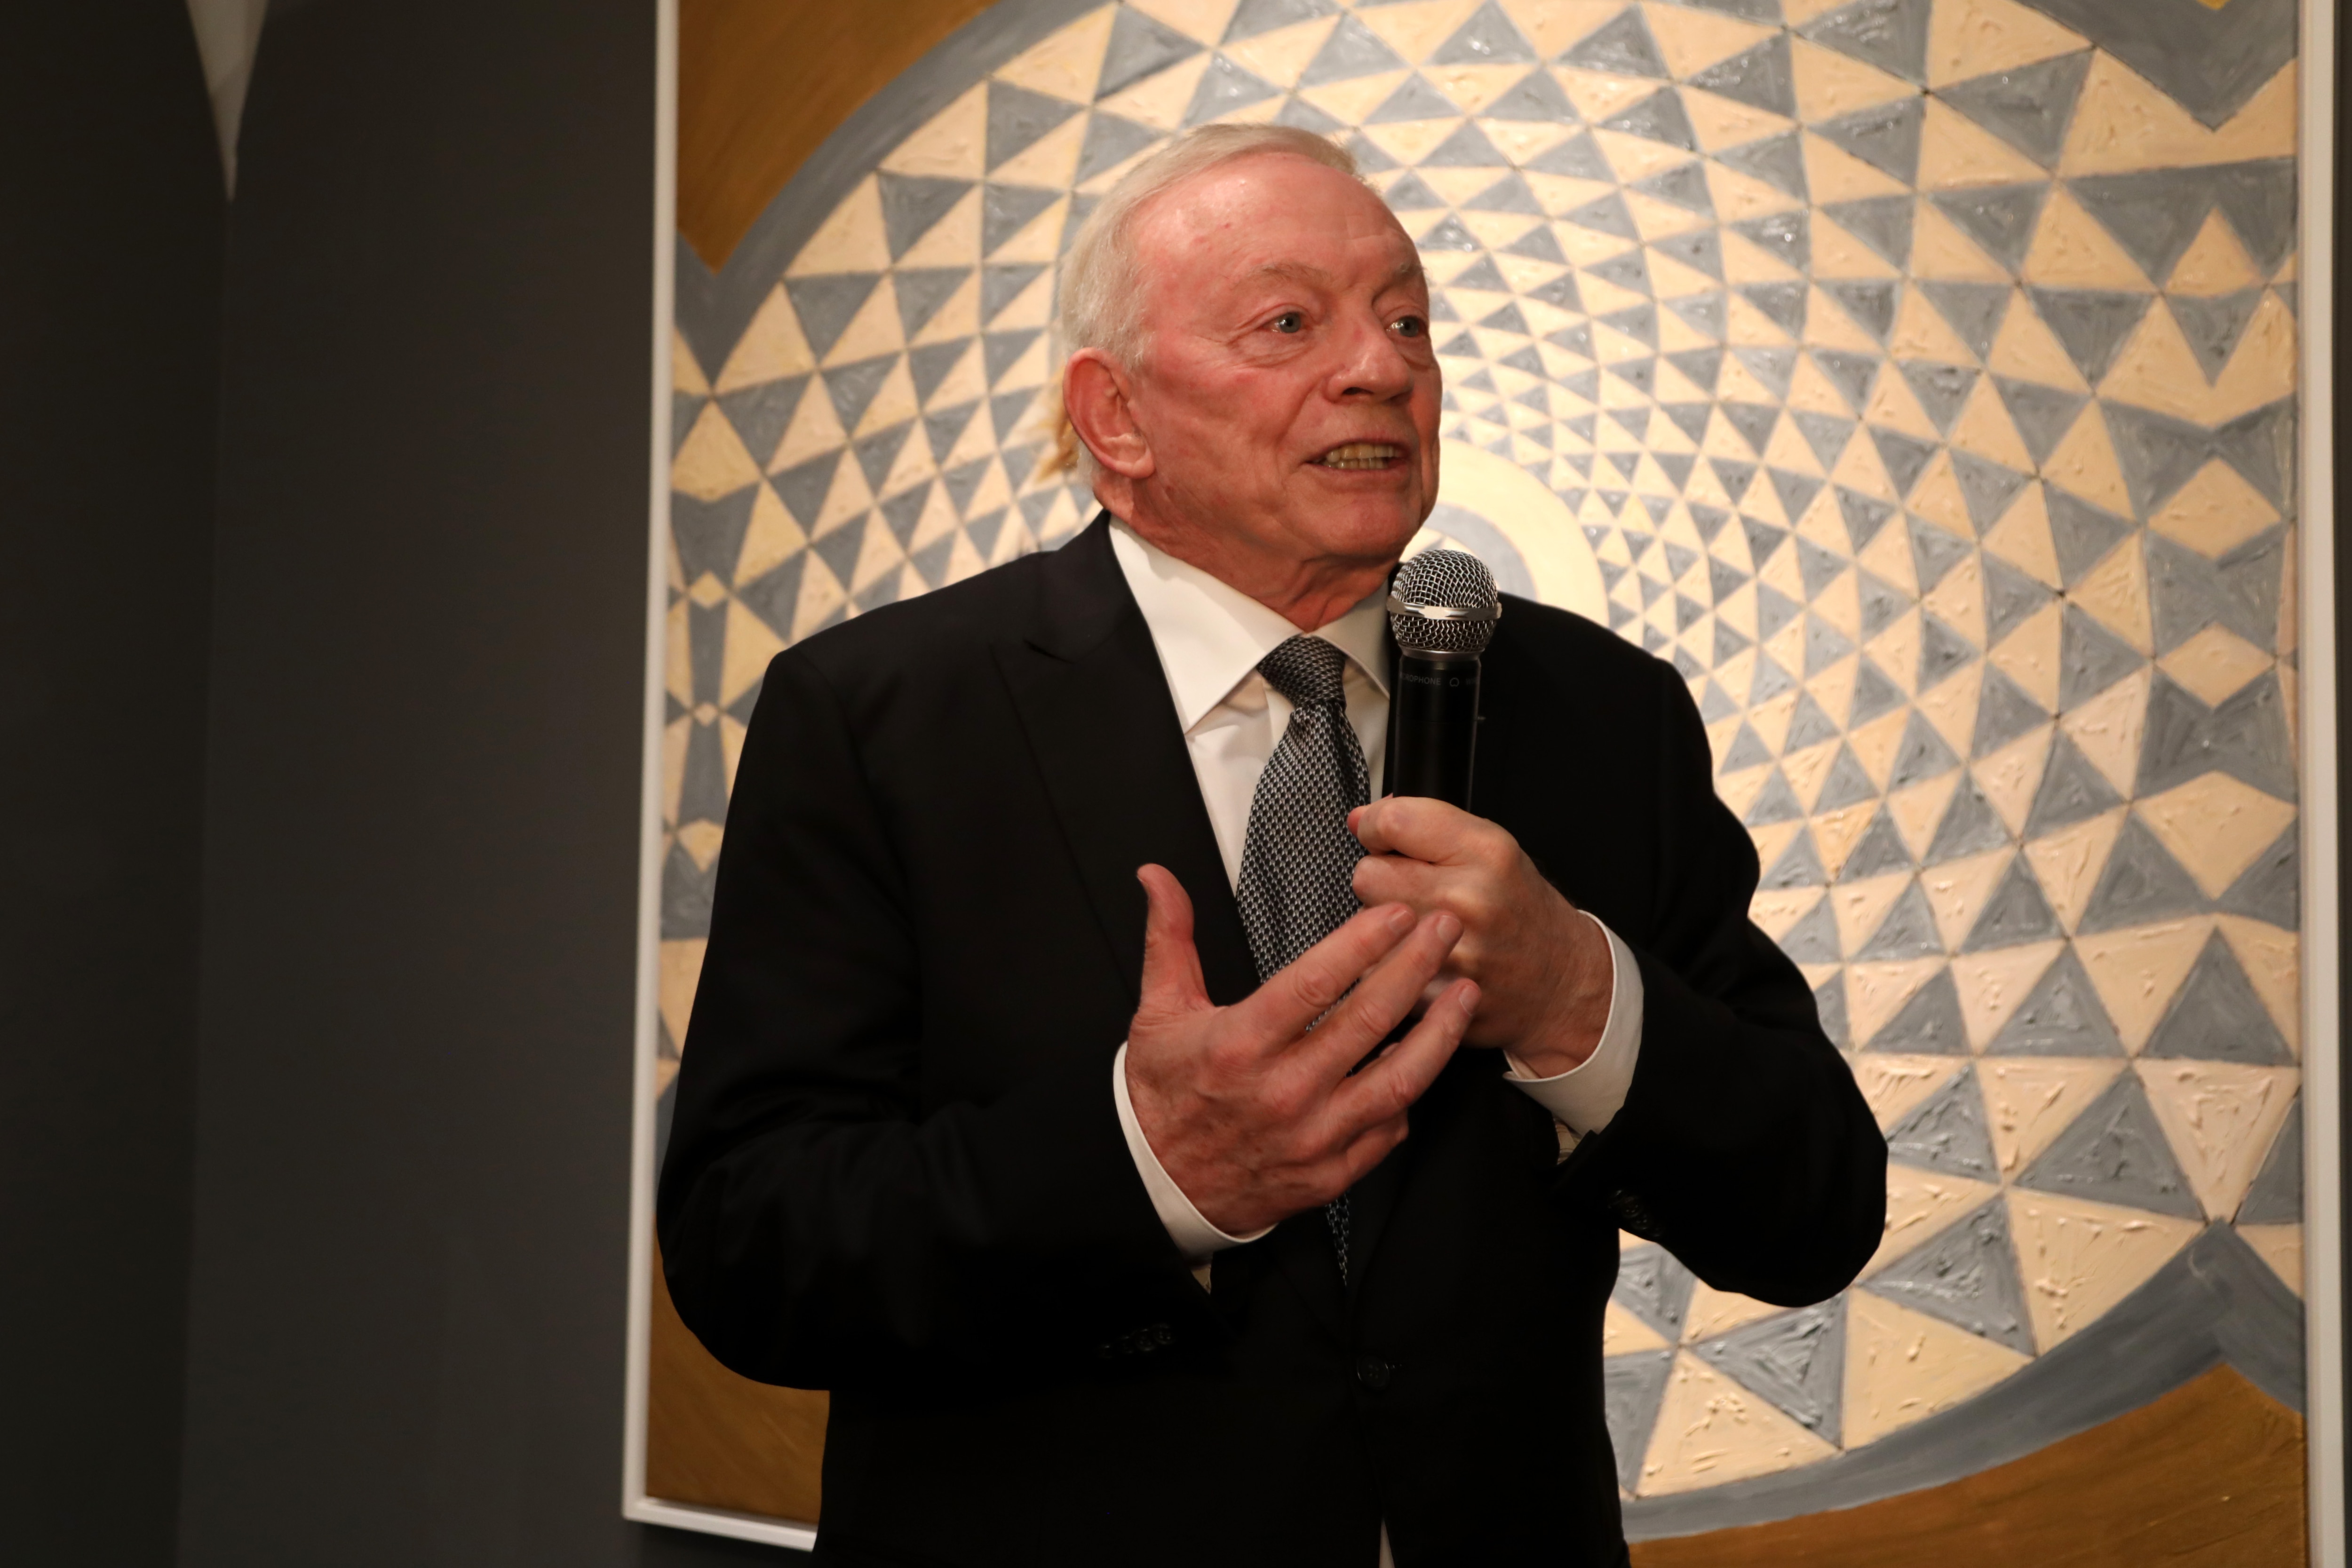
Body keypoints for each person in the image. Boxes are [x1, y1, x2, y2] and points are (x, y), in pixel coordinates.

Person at [658, 124, 1886, 1568]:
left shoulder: (1600, 713)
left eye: (1409, 319)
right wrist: (1149, 1166)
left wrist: (1581, 1001)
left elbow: (1815, 1208)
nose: (1383, 367)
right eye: (1290, 322)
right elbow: (755, 1248)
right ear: (1116, 416)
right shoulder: (882, 716)